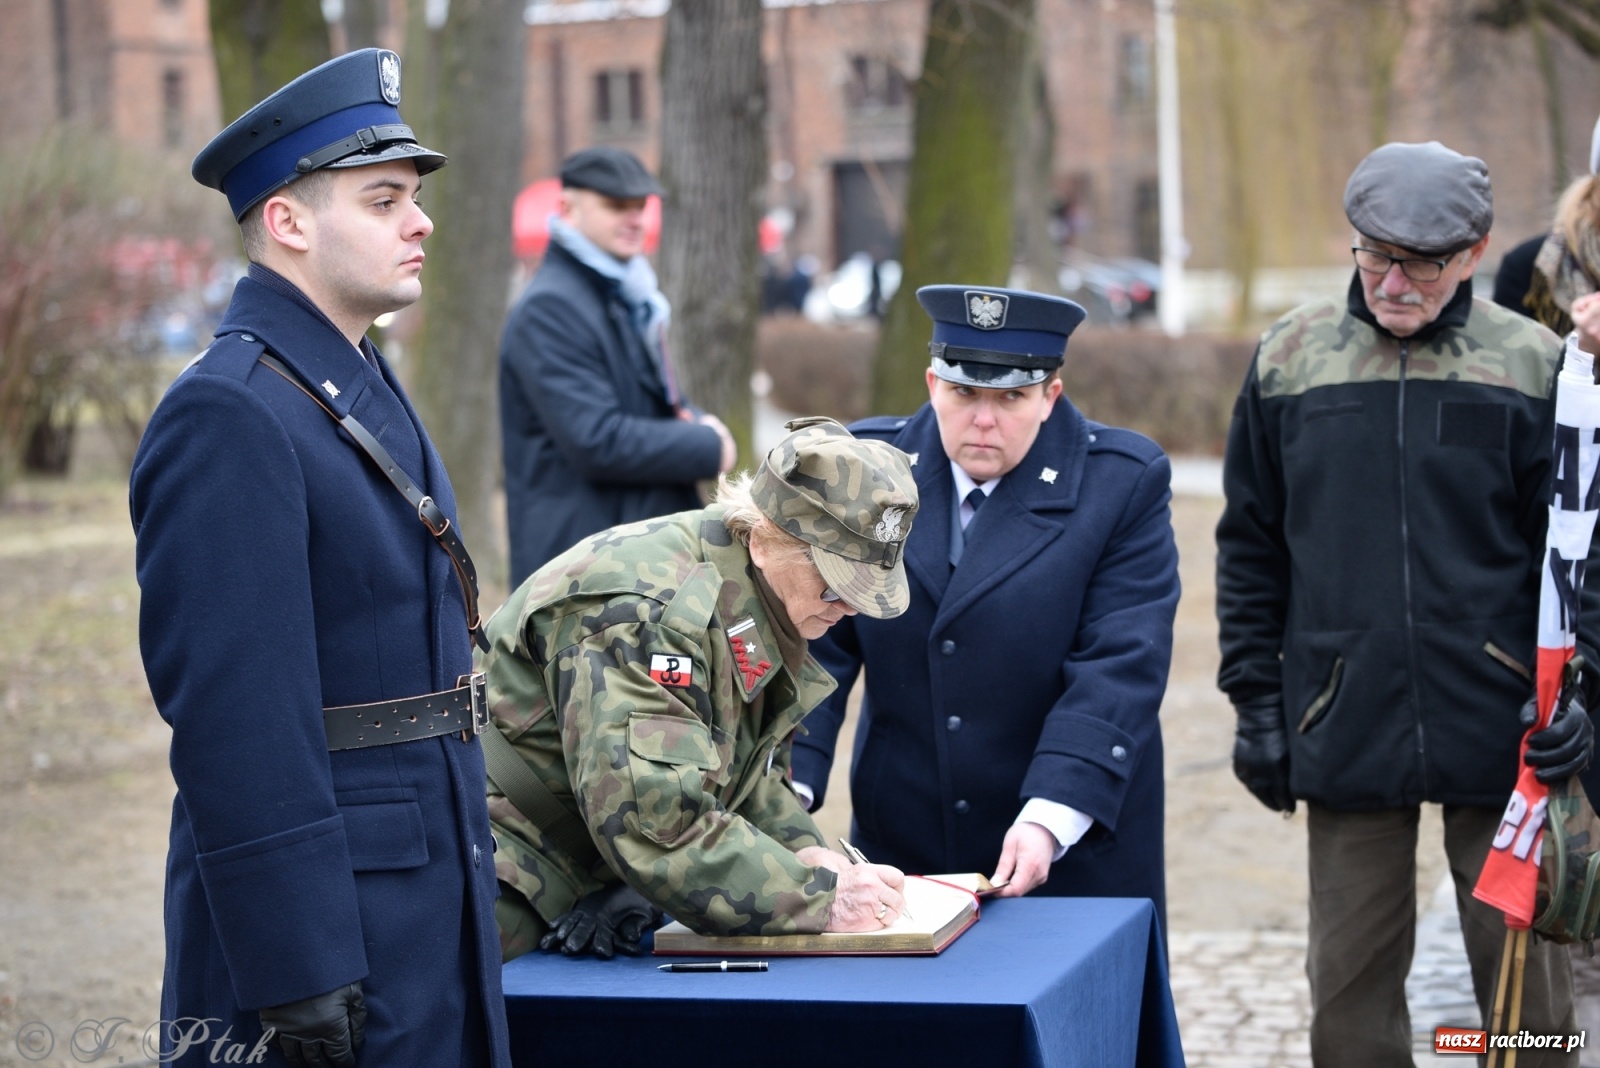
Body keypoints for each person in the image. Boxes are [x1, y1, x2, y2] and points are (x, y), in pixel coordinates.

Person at [131, 50, 509, 1067]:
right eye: (383, 200)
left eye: (414, 198)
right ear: (289, 224)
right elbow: (235, 725)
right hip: (327, 930)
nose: (420, 221)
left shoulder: (344, 379)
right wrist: (298, 971)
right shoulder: (230, 413)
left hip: (421, 885)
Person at [1217, 140, 1597, 1066]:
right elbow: (1251, 548)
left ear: (1474, 252)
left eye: (1422, 264)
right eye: (1374, 254)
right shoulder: (1289, 360)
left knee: (1526, 1001)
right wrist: (1258, 707)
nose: (1393, 282)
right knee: (1346, 994)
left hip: (1508, 727)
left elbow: (1581, 551)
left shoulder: (1533, 363)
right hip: (1341, 712)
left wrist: (1585, 695)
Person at [788, 286, 1181, 931]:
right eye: (964, 393)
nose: (984, 420)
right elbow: (813, 645)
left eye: (1011, 397)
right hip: (904, 837)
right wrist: (790, 783)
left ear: (1050, 396)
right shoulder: (866, 471)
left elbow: (1121, 659)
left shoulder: (1122, 483)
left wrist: (1054, 812)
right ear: (931, 384)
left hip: (1067, 839)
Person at [480, 418, 920, 960]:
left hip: (596, 862)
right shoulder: (651, 615)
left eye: (864, 593)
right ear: (764, 539)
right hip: (508, 864)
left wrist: (807, 855)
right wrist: (819, 901)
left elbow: (744, 774)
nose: (848, 609)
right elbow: (657, 824)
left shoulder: (758, 591)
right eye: (833, 585)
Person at [498, 145, 736, 587]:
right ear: (568, 209)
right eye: (615, 205)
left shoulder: (626, 296)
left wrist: (699, 424)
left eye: (640, 205)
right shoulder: (552, 306)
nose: (635, 218)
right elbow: (598, 440)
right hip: (585, 571)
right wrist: (707, 445)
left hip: (626, 556)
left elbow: (664, 404)